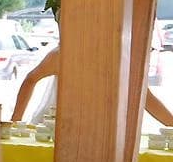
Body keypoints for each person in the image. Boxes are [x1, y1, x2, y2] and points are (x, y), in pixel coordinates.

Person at [11, 45, 173, 125]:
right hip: (55, 129)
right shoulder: (62, 54)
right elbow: (30, 80)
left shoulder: (121, 58)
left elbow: (145, 98)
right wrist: (14, 122)